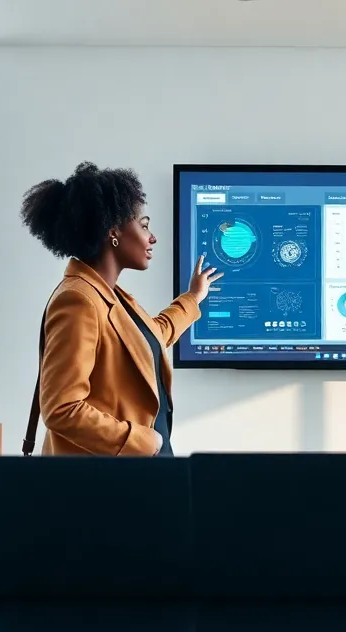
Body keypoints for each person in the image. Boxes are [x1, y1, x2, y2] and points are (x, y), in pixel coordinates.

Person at [21, 162, 222, 456]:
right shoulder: (78, 301)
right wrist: (141, 440)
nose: (152, 237)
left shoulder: (110, 296)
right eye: (143, 225)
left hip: (136, 472)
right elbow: (61, 408)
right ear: (113, 232)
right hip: (105, 484)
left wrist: (193, 298)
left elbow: (153, 336)